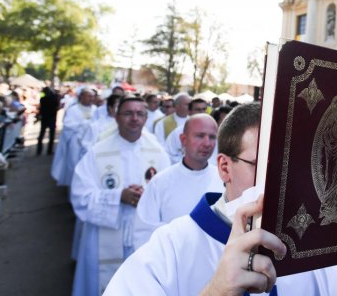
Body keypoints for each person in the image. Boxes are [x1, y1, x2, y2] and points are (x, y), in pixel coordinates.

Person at [105, 103, 337, 296]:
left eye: (297, 167)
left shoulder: (322, 248)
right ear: (225, 167)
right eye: (269, 167)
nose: (286, 184)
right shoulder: (170, 249)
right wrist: (217, 292)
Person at [70, 97, 171, 296]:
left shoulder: (158, 153)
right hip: (104, 238)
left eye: (140, 114)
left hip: (143, 237)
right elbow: (80, 196)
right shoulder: (98, 152)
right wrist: (118, 196)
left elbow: (168, 198)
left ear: (145, 118)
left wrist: (147, 196)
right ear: (116, 117)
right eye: (128, 113)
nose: (134, 118)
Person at [132, 113, 223, 250]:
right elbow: (143, 232)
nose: (207, 143)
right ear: (183, 139)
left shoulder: (224, 180)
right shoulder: (160, 182)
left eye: (212, 137)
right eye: (200, 136)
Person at [51, 87, 96, 187]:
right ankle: (73, 187)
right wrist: (83, 125)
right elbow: (67, 125)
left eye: (93, 97)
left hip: (91, 142)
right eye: (89, 96)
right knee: (74, 165)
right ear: (82, 97)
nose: (91, 99)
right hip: (76, 143)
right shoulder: (73, 110)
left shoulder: (95, 109)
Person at [162, 98, 211, 164]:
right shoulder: (178, 132)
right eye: (198, 110)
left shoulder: (212, 131)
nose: (202, 112)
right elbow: (169, 154)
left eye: (204, 109)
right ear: (189, 112)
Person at [36, 87, 60, 156]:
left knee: (42, 134)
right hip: (51, 118)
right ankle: (49, 150)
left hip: (45, 118)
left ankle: (39, 150)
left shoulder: (43, 99)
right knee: (51, 135)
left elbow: (41, 108)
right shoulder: (54, 98)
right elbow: (56, 107)